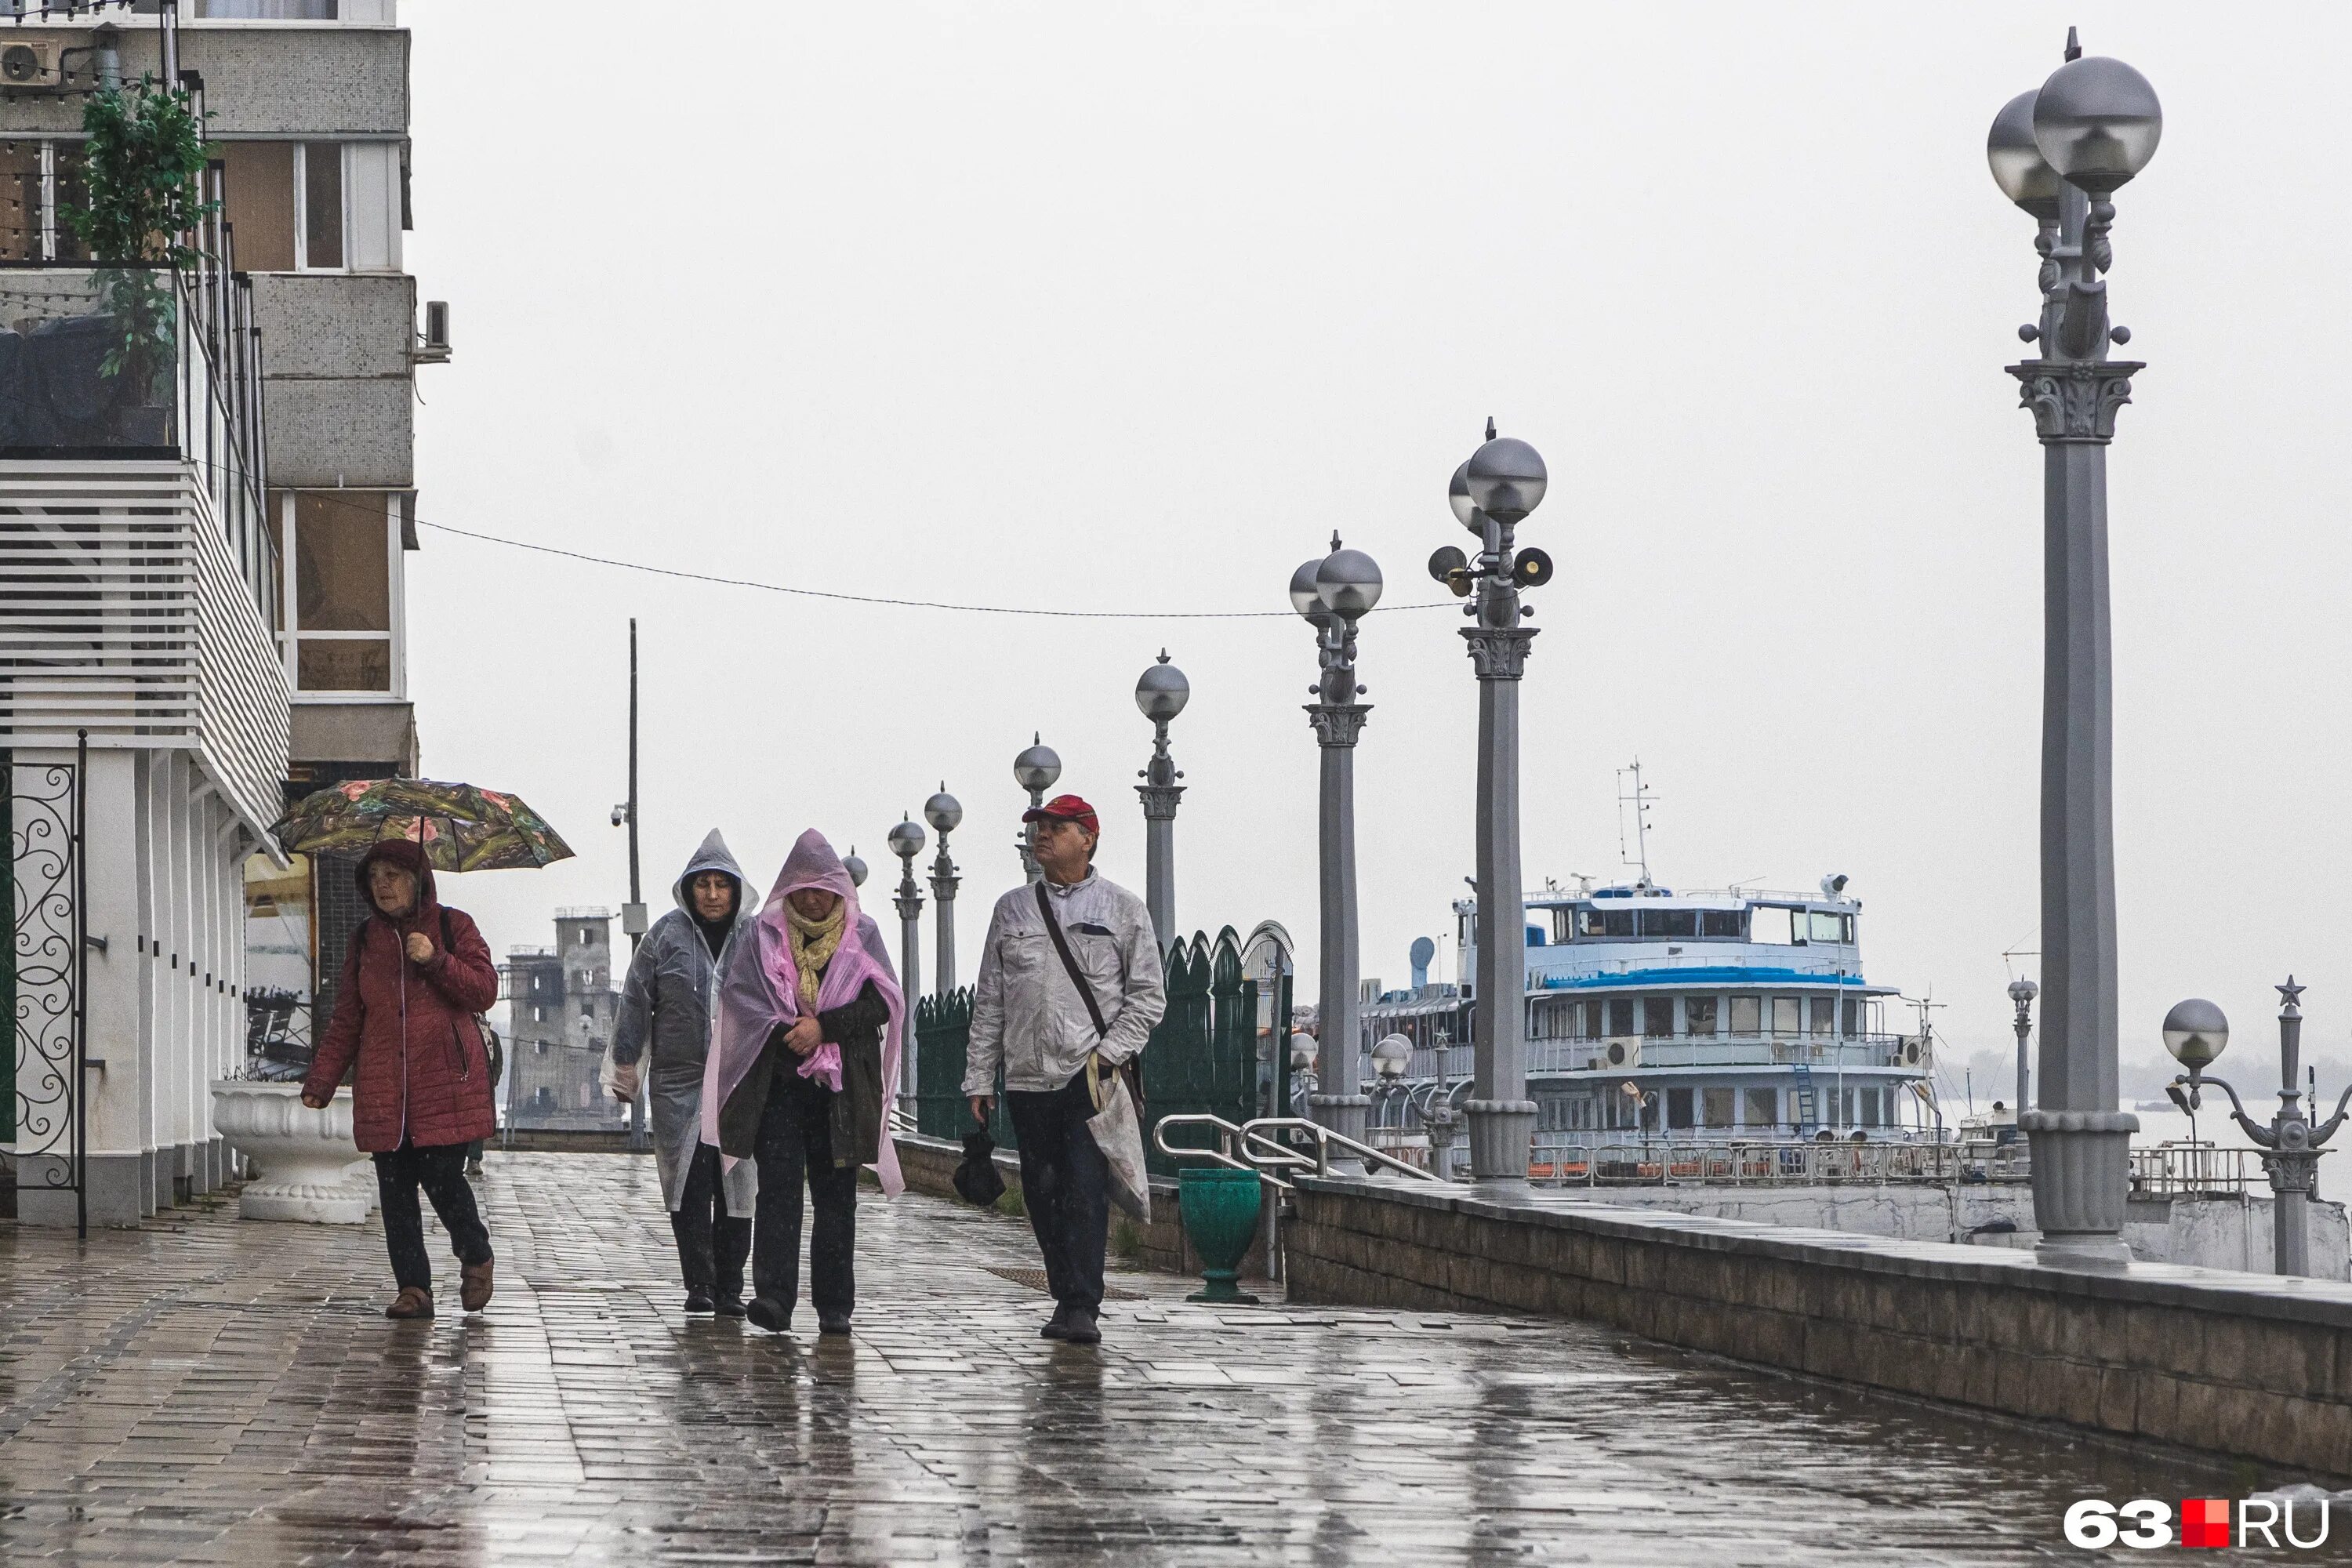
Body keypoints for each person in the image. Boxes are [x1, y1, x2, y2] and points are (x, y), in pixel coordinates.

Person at [965, 794, 1164, 1346]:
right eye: (1038, 827)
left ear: (1089, 837)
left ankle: (1081, 1304)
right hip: (1028, 1077)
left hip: (1090, 1075)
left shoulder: (1122, 909)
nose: (1043, 835)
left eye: (1057, 827)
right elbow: (991, 1000)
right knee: (1040, 1189)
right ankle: (1063, 1291)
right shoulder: (1012, 910)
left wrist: (1108, 1057)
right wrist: (980, 1077)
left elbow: (1148, 996)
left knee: (1082, 1187)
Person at [703, 830, 904, 1337]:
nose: (812, 899)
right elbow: (740, 999)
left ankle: (835, 1306)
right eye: (802, 889)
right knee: (778, 1193)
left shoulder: (863, 936)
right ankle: (773, 1299)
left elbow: (883, 1002)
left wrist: (825, 1027)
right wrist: (784, 1027)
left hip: (842, 1090)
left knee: (837, 1197)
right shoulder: (762, 936)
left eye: (822, 889)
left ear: (839, 891)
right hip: (779, 1087)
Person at [301, 839, 499, 1320]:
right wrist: (322, 1079)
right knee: (394, 1192)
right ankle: (414, 1289)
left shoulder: (454, 926)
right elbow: (348, 1016)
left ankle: (475, 1255)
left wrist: (435, 959)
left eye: (394, 874)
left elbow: (485, 990)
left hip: (444, 1084)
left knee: (443, 1179)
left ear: (419, 880)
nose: (383, 885)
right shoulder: (366, 940)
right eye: (374, 877)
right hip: (384, 1086)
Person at [609, 830, 760, 1316]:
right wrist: (626, 1063)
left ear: (736, 890)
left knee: (736, 1185)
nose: (713, 895)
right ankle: (699, 1282)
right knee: (687, 1184)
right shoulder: (664, 937)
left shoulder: (754, 938)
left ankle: (731, 1287)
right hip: (679, 1082)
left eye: (722, 885)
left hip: (740, 1081)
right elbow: (637, 998)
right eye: (704, 885)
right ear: (689, 888)